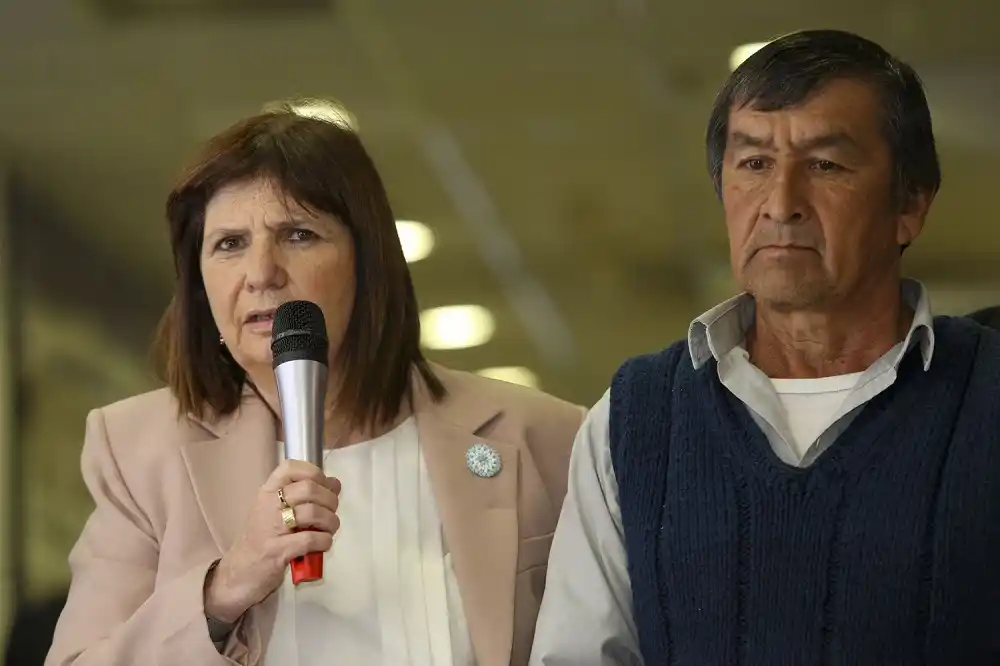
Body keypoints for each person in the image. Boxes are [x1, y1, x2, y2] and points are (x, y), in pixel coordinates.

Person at [46, 98, 584, 666]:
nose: (261, 274)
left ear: (368, 262)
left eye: (298, 234)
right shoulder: (137, 451)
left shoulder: (545, 436)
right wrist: (225, 587)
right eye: (229, 244)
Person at [530, 30, 1000, 666]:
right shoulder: (633, 420)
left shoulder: (985, 396)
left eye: (826, 165)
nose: (782, 204)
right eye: (753, 164)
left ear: (910, 204)